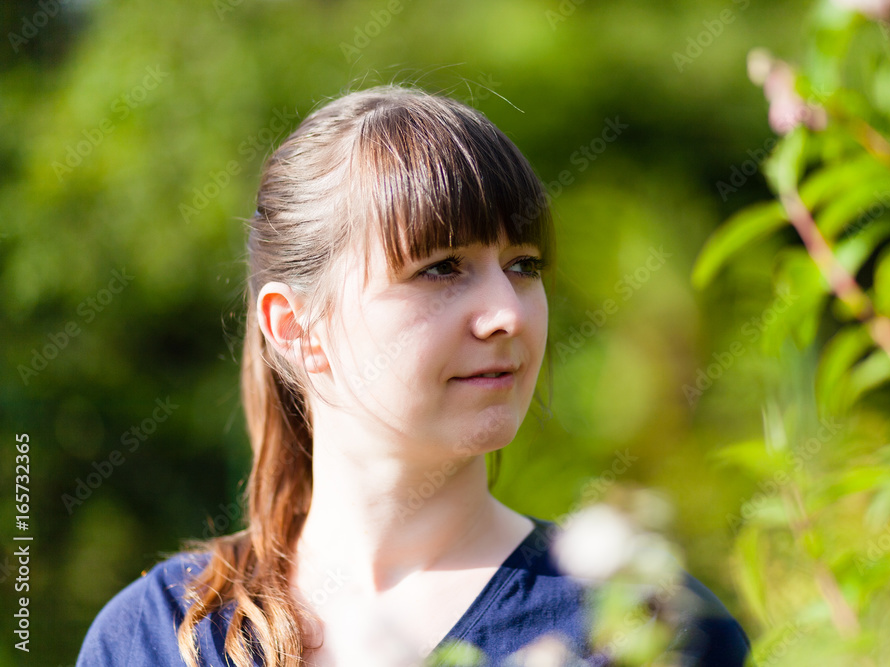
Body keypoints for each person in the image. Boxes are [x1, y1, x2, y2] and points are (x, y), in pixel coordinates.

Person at [76, 84, 751, 667]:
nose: (507, 313)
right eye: (440, 267)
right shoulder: (160, 637)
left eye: (524, 265)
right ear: (293, 325)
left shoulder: (646, 628)